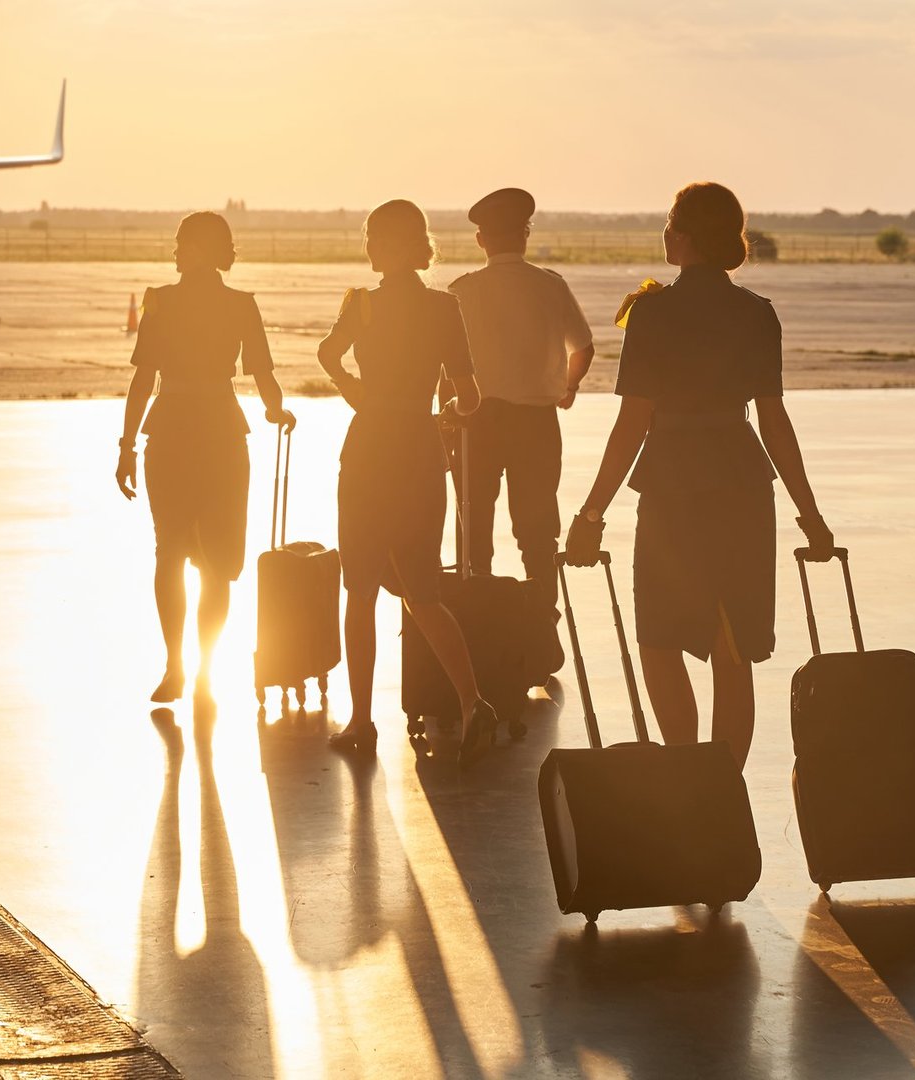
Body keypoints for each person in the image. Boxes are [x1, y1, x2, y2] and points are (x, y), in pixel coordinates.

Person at [564, 182, 834, 769]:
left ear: (682, 237)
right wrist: (809, 516)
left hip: (671, 486)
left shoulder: (653, 312)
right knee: (731, 646)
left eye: (668, 223)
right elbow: (774, 422)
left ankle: (686, 774)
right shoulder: (756, 312)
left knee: (659, 639)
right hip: (741, 482)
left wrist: (590, 515)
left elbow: (632, 422)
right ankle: (725, 787)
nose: (663, 232)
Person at [317, 199, 500, 766]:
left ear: (392, 246)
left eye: (374, 238)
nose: (368, 247)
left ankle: (363, 718)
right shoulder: (445, 308)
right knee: (424, 592)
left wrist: (354, 389)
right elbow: (468, 396)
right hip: (422, 452)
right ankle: (472, 701)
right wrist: (447, 406)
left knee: (361, 590)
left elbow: (327, 354)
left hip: (372, 449)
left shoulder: (363, 305)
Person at [117, 211, 295, 703]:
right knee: (217, 561)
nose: (174, 252)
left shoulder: (160, 302)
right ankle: (203, 670)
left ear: (197, 248)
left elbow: (142, 381)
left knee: (168, 551)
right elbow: (263, 376)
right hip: (220, 430)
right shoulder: (240, 305)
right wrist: (278, 413)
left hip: (171, 429)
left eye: (180, 243)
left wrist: (127, 445)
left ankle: (177, 663)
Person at [448, 187, 594, 614]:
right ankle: (541, 628)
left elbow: (447, 362)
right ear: (525, 235)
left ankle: (479, 624)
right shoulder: (550, 285)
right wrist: (568, 388)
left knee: (474, 528)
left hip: (478, 422)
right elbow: (582, 348)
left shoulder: (463, 290)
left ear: (481, 240)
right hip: (536, 422)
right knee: (537, 532)